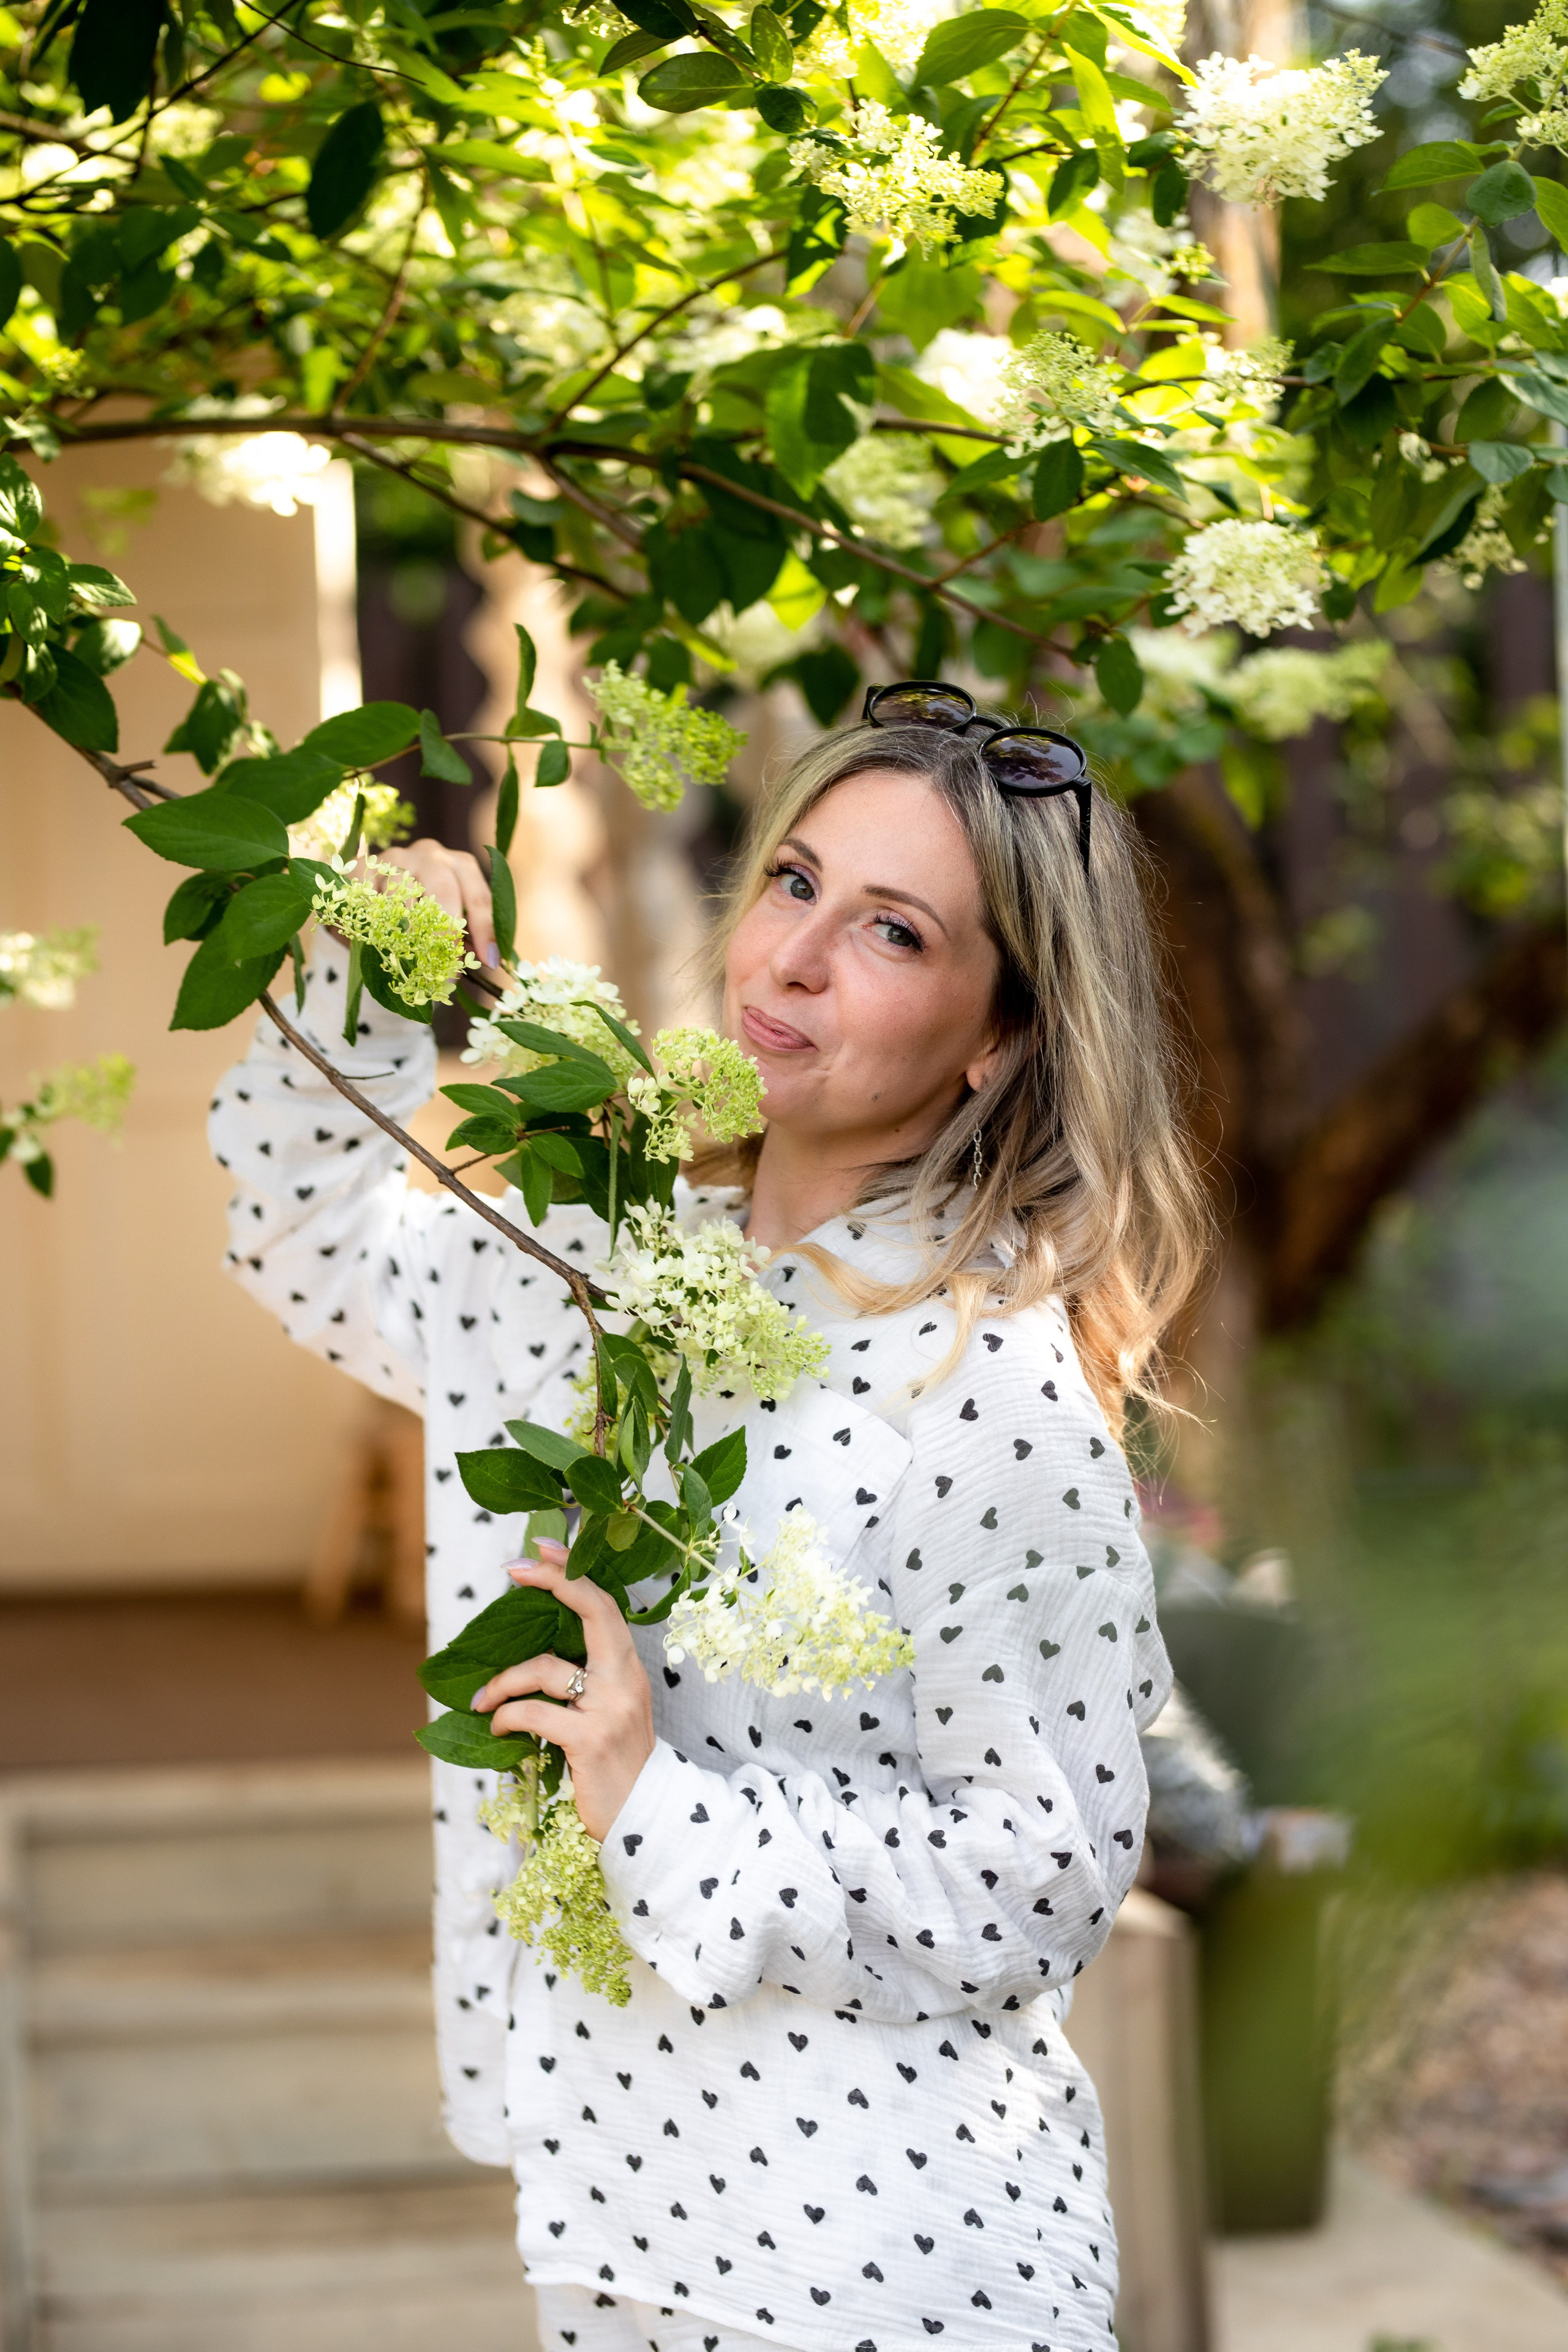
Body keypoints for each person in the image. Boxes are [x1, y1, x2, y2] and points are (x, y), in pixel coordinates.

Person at [209, 682, 1211, 2352]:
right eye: (798, 883)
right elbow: (308, 1246)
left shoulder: (982, 1392)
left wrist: (660, 1804)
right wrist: (363, 965)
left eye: (894, 931)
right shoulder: (587, 1254)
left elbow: (1045, 1873)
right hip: (610, 2212)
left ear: (1000, 1031)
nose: (797, 958)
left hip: (889, 2266)